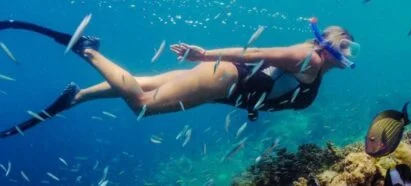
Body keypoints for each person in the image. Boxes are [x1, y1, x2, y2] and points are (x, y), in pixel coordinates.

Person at [0, 18, 360, 138]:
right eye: (345, 47)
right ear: (328, 44)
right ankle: (89, 50)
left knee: (142, 85)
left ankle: (77, 97)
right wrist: (206, 55)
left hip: (224, 86)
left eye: (350, 50)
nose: (347, 55)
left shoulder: (316, 67)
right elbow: (253, 54)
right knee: (143, 106)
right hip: (222, 79)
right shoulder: (305, 56)